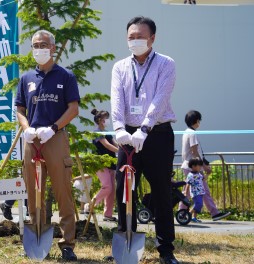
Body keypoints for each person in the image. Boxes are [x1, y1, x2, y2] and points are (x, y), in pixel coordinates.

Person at [110, 17, 179, 263]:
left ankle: (166, 250)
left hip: (157, 133)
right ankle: (125, 240)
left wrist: (145, 128)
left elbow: (161, 97)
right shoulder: (119, 67)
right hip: (128, 135)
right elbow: (116, 100)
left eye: (140, 36)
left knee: (161, 191)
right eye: (131, 37)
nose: (135, 41)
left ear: (152, 38)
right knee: (123, 189)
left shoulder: (165, 64)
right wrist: (119, 128)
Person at [15, 29, 80, 261]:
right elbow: (19, 109)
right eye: (35, 45)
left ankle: (67, 244)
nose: (39, 49)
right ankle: (38, 235)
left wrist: (53, 128)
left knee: (63, 191)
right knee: (33, 193)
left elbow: (73, 108)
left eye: (43, 45)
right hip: (32, 141)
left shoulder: (65, 76)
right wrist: (26, 128)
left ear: (52, 48)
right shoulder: (26, 79)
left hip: (56, 138)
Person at [179, 110, 230, 221]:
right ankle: (214, 213)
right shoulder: (192, 133)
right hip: (194, 167)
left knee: (188, 191)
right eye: (199, 120)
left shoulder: (186, 132)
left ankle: (182, 213)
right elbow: (194, 151)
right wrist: (204, 166)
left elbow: (195, 152)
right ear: (197, 121)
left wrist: (204, 162)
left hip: (188, 166)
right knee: (203, 191)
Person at [91, 109, 118, 221]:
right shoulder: (97, 133)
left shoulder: (107, 132)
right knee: (107, 186)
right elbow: (107, 145)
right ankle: (91, 204)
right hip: (100, 163)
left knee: (112, 190)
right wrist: (120, 152)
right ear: (99, 120)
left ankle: (108, 214)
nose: (107, 120)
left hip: (111, 163)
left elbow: (114, 143)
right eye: (105, 118)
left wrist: (123, 148)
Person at [185, 158, 205, 223]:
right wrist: (186, 192)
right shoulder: (191, 175)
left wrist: (207, 174)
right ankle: (189, 214)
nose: (200, 167)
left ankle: (194, 217)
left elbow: (203, 179)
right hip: (195, 192)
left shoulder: (198, 173)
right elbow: (188, 183)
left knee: (198, 204)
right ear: (193, 166)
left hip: (200, 191)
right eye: (199, 165)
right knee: (198, 204)